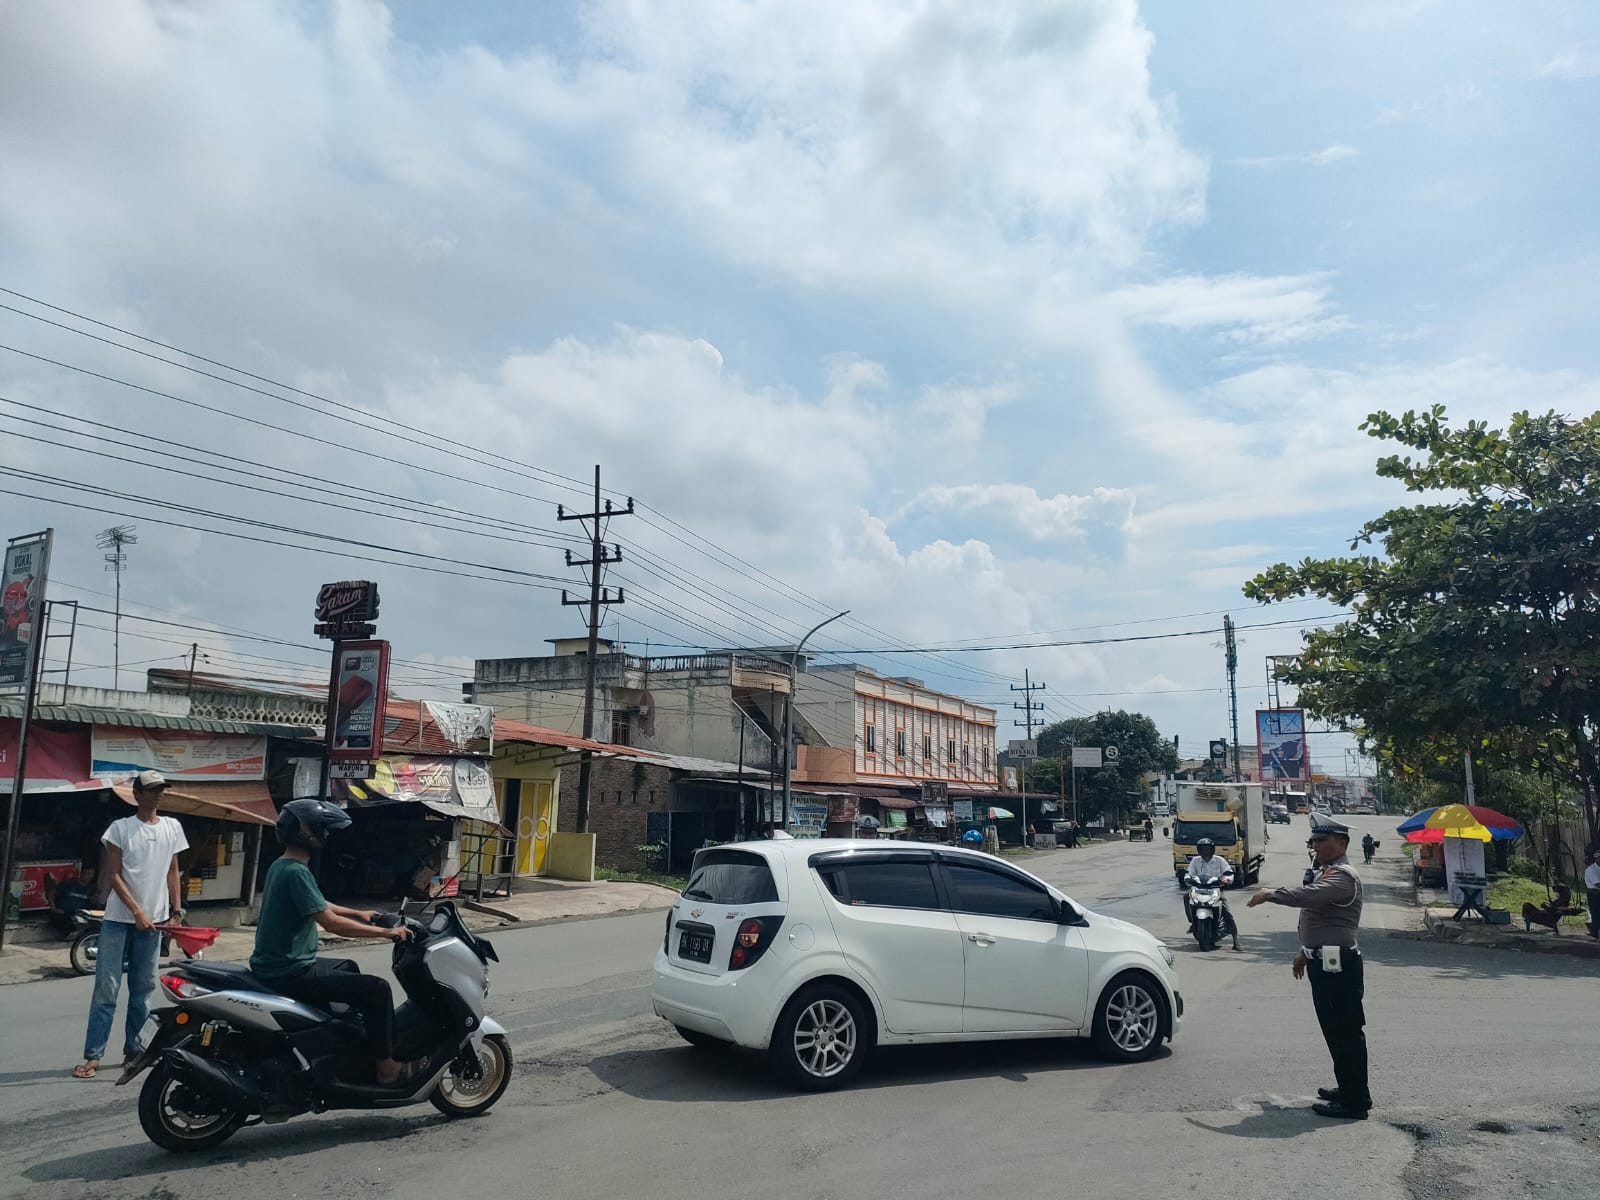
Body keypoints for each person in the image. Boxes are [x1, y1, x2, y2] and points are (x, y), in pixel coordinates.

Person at [250, 798, 418, 1087]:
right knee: (377, 990)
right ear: (308, 833)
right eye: (323, 830)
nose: (327, 836)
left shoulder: (283, 866)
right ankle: (387, 1068)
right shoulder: (296, 872)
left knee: (347, 966)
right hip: (289, 971)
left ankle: (348, 1040)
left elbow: (317, 903)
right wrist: (386, 934)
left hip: (275, 965)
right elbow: (330, 922)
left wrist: (359, 913)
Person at [1248, 814, 1371, 1120]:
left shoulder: (1342, 876)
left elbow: (1310, 897)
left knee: (1344, 1032)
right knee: (1335, 1031)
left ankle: (1355, 1102)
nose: (1315, 846)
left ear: (1340, 843)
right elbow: (1321, 920)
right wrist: (1305, 951)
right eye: (1313, 842)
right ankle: (1349, 1089)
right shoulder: (1329, 872)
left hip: (1338, 966)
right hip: (1327, 961)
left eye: (1321, 841)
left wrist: (1272, 894)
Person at [74, 770, 188, 1080]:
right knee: (106, 989)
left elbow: (173, 871)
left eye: (160, 789)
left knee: (143, 991)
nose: (157, 795)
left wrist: (177, 911)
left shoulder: (172, 828)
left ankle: (135, 1051)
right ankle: (93, 1056)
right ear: (137, 794)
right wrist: (137, 911)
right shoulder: (120, 829)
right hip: (119, 920)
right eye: (151, 790)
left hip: (154, 923)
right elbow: (113, 876)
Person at [1184, 838, 1240, 951]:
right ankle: (1192, 921)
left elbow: (1229, 873)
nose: (1205, 851)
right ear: (1199, 850)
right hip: (1198, 889)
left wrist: (1226, 879)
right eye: (1203, 849)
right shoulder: (1195, 861)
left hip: (1215, 890)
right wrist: (1187, 879)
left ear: (1212, 849)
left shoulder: (1219, 860)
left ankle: (1235, 940)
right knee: (1186, 897)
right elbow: (1189, 873)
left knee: (1227, 913)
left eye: (1207, 849)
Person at [1585, 851, 1600, 941]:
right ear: (1596, 859)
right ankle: (1594, 933)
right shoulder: (1591, 870)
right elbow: (1598, 884)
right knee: (1595, 913)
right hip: (1594, 894)